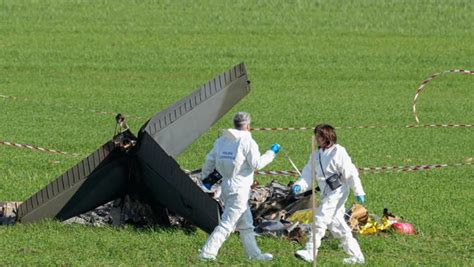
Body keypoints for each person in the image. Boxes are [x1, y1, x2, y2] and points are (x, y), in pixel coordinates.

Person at [198, 112, 281, 261]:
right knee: (227, 224)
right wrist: (271, 153)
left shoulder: (222, 140)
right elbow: (257, 164)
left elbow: (209, 160)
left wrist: (205, 178)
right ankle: (207, 253)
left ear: (234, 124)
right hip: (240, 189)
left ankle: (254, 255)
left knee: (246, 225)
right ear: (248, 126)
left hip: (226, 186)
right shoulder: (248, 142)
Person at [292, 124, 366, 264]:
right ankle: (357, 257)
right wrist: (299, 186)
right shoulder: (316, 155)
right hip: (326, 193)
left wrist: (358, 191)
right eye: (316, 135)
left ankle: (310, 251)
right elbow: (308, 174)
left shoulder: (339, 152)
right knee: (337, 225)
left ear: (327, 136)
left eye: (320, 135)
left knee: (320, 218)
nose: (317, 138)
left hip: (338, 191)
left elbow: (350, 173)